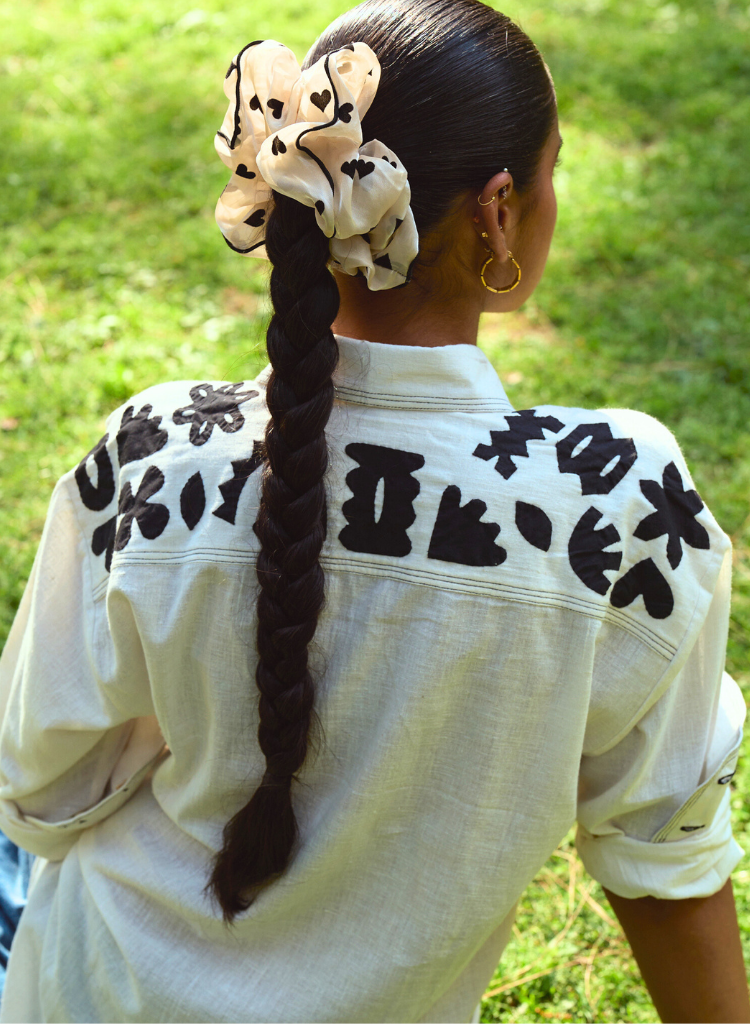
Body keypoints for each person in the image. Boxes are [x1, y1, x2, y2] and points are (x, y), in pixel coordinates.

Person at [0, 0, 747, 1020]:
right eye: (554, 168)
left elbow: (39, 789)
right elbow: (667, 860)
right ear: (497, 209)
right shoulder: (620, 502)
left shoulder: (154, 452)